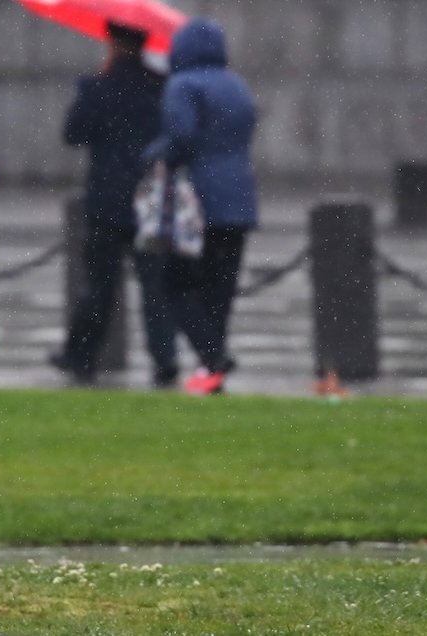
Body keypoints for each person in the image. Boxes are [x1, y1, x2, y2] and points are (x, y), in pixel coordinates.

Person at [49, 21, 179, 388]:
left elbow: (73, 134)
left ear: (112, 43)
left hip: (107, 199)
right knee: (155, 286)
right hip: (149, 197)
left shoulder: (97, 86)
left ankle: (81, 358)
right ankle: (164, 360)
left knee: (99, 287)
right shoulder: (161, 85)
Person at [144, 18, 258, 395]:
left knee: (175, 284)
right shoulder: (235, 84)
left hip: (200, 204)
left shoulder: (183, 84)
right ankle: (213, 375)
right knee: (219, 293)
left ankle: (213, 357)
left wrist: (153, 155)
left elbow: (181, 137)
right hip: (240, 201)